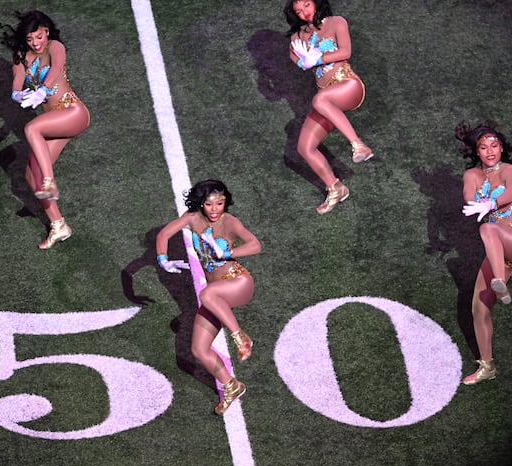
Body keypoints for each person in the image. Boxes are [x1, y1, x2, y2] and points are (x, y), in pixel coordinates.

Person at [155, 180, 262, 415]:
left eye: (220, 203)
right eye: (209, 203)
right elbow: (165, 233)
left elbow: (255, 245)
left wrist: (230, 252)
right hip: (215, 294)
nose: (215, 209)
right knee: (198, 349)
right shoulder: (193, 218)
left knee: (206, 294)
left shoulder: (231, 222)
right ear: (201, 204)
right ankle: (231, 385)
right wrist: (163, 259)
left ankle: (239, 336)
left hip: (238, 282)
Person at [456, 121, 512, 385]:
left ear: (501, 147)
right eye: (483, 147)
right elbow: (469, 197)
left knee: (488, 228)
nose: (490, 151)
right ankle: (487, 365)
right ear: (476, 152)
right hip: (497, 253)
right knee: (478, 308)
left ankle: (499, 283)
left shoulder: (510, 170)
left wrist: (490, 203)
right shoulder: (472, 176)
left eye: (494, 145)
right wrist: (475, 203)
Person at [1, 10, 90, 249]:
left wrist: (42, 90)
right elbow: (17, 83)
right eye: (30, 39)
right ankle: (59, 225)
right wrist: (17, 94)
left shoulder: (55, 46)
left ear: (46, 32)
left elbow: (57, 67)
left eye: (39, 37)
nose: (36, 43)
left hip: (73, 112)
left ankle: (50, 181)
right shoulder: (20, 56)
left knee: (31, 128)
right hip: (54, 121)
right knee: (31, 173)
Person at [284, 0, 374, 214]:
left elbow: (345, 52)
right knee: (304, 147)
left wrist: (318, 58)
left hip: (349, 86)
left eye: (306, 5)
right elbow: (294, 58)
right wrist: (301, 61)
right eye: (298, 11)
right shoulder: (298, 38)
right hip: (326, 97)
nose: (304, 13)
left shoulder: (336, 22)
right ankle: (336, 187)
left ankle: (358, 145)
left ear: (316, 2)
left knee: (319, 100)